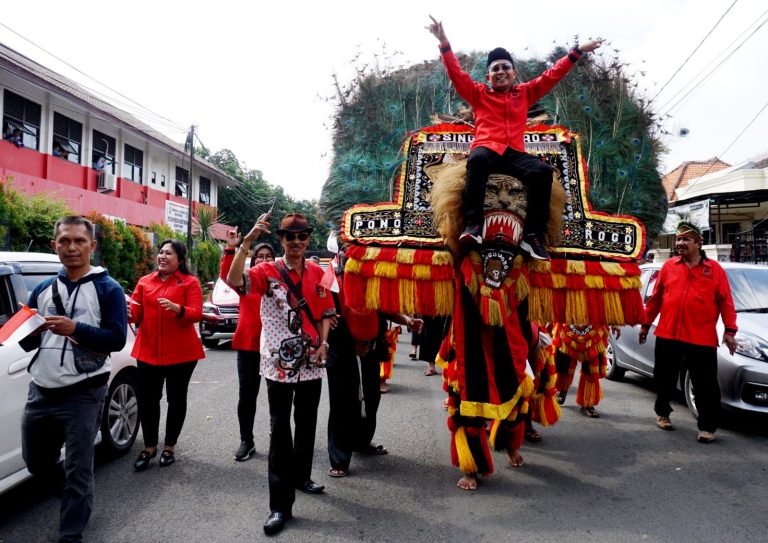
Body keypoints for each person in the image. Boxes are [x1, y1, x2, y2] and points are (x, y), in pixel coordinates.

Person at [426, 16, 602, 259]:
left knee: (542, 172)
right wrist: (444, 41)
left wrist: (576, 52)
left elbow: (553, 75)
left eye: (505, 67)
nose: (500, 72)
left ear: (513, 72)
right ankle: (473, 226)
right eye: (495, 69)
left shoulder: (526, 92)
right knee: (476, 160)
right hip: (487, 149)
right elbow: (456, 74)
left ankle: (532, 236)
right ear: (488, 76)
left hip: (514, 154)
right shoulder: (478, 94)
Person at [227, 213, 335, 537]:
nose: (297, 243)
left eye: (302, 237)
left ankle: (302, 477)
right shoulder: (266, 271)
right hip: (277, 363)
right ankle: (279, 506)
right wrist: (245, 244)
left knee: (306, 424)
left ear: (308, 238)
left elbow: (326, 311)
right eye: (291, 237)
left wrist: (325, 343)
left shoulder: (319, 271)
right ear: (281, 240)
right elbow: (235, 281)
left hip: (312, 360)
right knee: (279, 430)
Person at [20, 216, 127, 543]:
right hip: (40, 391)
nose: (71, 247)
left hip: (84, 393)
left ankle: (71, 532)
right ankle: (76, 497)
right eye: (64, 241)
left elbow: (116, 339)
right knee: (36, 461)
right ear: (55, 245)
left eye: (79, 241)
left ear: (92, 246)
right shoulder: (41, 289)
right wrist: (31, 331)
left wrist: (75, 328)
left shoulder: (109, 289)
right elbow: (25, 341)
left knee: (79, 468)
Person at [325, 246, 423, 478]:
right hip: (342, 348)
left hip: (370, 346)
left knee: (371, 397)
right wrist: (353, 343)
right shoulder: (333, 272)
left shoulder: (373, 272)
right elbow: (328, 315)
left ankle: (362, 442)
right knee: (343, 402)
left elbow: (382, 308)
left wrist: (407, 320)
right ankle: (339, 458)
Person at [640, 221, 737, 443]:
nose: (680, 243)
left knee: (706, 385)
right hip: (668, 334)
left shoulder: (714, 270)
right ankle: (663, 412)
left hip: (701, 338)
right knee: (663, 378)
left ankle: (707, 426)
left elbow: (726, 303)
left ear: (698, 243)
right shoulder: (668, 267)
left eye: (686, 239)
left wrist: (730, 331)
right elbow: (655, 300)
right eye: (679, 239)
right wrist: (645, 325)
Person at [129, 239, 204, 471]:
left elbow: (197, 313)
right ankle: (149, 446)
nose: (162, 256)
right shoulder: (144, 281)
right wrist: (127, 312)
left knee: (176, 399)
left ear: (179, 259)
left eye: (168, 253)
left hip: (181, 354)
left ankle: (169, 446)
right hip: (148, 351)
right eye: (160, 252)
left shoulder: (189, 283)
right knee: (148, 400)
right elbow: (135, 313)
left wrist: (177, 309)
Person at [221, 222, 275, 461]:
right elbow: (227, 277)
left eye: (268, 256)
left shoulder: (282, 283)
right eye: (259, 257)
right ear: (253, 263)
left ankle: (279, 435)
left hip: (275, 349)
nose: (263, 260)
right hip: (249, 348)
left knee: (278, 397)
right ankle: (247, 440)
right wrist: (231, 250)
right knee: (247, 397)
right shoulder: (248, 284)